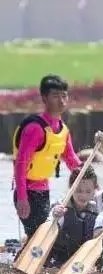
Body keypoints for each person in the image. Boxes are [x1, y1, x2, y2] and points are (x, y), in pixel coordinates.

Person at [12, 74, 82, 237]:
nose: (61, 101)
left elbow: (71, 159)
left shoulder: (63, 130)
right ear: (44, 98)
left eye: (64, 96)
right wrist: (22, 198)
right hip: (27, 192)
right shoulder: (34, 129)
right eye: (55, 96)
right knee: (37, 235)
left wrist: (88, 175)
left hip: (44, 191)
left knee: (39, 234)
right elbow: (20, 165)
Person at [47, 166, 99, 266]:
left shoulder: (97, 209)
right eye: (79, 190)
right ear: (71, 187)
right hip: (59, 262)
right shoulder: (59, 206)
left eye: (88, 191)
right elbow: (49, 223)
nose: (83, 195)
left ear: (94, 189)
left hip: (84, 262)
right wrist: (54, 217)